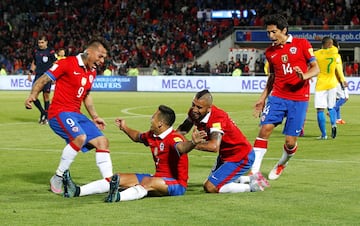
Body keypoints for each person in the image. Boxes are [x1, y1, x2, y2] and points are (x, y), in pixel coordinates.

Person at [61, 105, 206, 201]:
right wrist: (125, 128)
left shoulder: (174, 138)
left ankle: (117, 197)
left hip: (176, 184)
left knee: (148, 182)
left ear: (161, 123)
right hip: (158, 178)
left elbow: (181, 148)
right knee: (117, 178)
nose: (151, 119)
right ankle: (77, 191)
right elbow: (138, 136)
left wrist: (193, 143)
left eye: (154, 117)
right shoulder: (153, 135)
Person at [25, 39, 114, 194]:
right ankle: (58, 177)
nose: (102, 61)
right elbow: (44, 79)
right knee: (79, 137)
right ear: (90, 52)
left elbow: (86, 95)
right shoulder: (66, 63)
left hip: (76, 113)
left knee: (102, 141)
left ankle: (110, 183)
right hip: (59, 112)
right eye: (100, 56)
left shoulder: (92, 72)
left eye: (103, 58)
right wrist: (33, 94)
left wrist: (95, 116)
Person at [251, 14, 320, 180]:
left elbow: (316, 68)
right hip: (278, 96)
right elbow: (272, 77)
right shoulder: (270, 52)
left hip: (299, 98)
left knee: (290, 142)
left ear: (284, 30)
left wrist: (304, 76)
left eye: (274, 32)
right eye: (268, 32)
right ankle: (254, 171)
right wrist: (262, 98)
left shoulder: (302, 44)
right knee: (265, 129)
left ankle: (283, 161)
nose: (270, 36)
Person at [176, 89, 269, 194]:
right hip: (226, 155)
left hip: (241, 156)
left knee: (210, 187)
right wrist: (172, 140)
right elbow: (182, 130)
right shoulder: (194, 113)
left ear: (209, 108)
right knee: (211, 182)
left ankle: (253, 187)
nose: (194, 109)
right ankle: (249, 179)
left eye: (199, 107)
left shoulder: (218, 118)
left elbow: (214, 146)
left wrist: (191, 144)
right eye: (193, 105)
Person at [314, 37, 346, 139]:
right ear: (330, 44)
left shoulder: (317, 54)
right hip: (332, 83)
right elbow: (339, 68)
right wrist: (342, 80)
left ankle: (324, 134)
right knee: (331, 107)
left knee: (320, 110)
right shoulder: (335, 53)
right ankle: (334, 125)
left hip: (321, 84)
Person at [27, 35, 57, 124]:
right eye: (39, 42)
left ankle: (45, 117)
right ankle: (43, 112)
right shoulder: (36, 51)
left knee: (46, 96)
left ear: (46, 42)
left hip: (47, 76)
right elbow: (34, 62)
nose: (40, 44)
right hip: (38, 76)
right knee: (33, 96)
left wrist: (54, 76)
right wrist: (30, 72)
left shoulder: (50, 51)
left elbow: (55, 63)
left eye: (42, 42)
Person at [332, 38, 349, 125]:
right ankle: (333, 110)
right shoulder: (337, 56)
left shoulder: (329, 55)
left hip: (331, 81)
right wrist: (343, 80)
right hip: (338, 81)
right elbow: (338, 70)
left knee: (337, 99)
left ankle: (338, 119)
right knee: (345, 97)